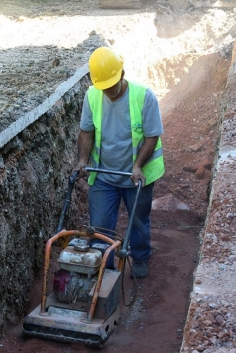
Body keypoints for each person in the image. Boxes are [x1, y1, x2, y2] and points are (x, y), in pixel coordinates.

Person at [73, 47, 165, 278]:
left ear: (122, 74)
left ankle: (141, 256)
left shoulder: (144, 96)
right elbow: (86, 131)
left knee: (138, 220)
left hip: (135, 175)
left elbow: (152, 135)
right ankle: (106, 269)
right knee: (100, 226)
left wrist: (138, 166)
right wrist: (82, 160)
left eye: (111, 86)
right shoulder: (92, 95)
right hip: (103, 175)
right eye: (103, 87)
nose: (107, 92)